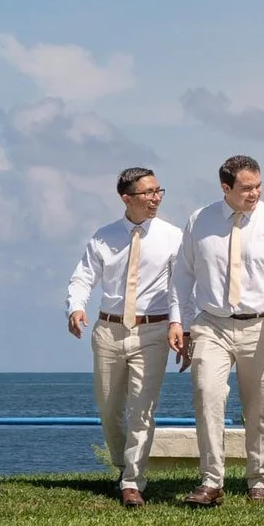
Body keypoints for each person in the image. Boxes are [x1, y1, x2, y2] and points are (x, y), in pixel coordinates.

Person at [168, 155, 264, 506]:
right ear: (225, 187)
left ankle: (259, 479)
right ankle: (212, 481)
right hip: (211, 324)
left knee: (260, 405)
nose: (254, 193)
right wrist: (178, 320)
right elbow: (183, 275)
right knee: (207, 395)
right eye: (246, 188)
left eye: (258, 186)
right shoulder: (200, 220)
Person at [65, 166, 184, 508]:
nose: (155, 198)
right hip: (109, 330)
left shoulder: (173, 236)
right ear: (126, 198)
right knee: (108, 406)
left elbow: (181, 289)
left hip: (153, 330)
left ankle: (133, 480)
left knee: (142, 409)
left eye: (159, 191)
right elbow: (83, 277)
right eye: (148, 193)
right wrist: (76, 307)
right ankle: (122, 465)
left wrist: (179, 325)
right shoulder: (103, 237)